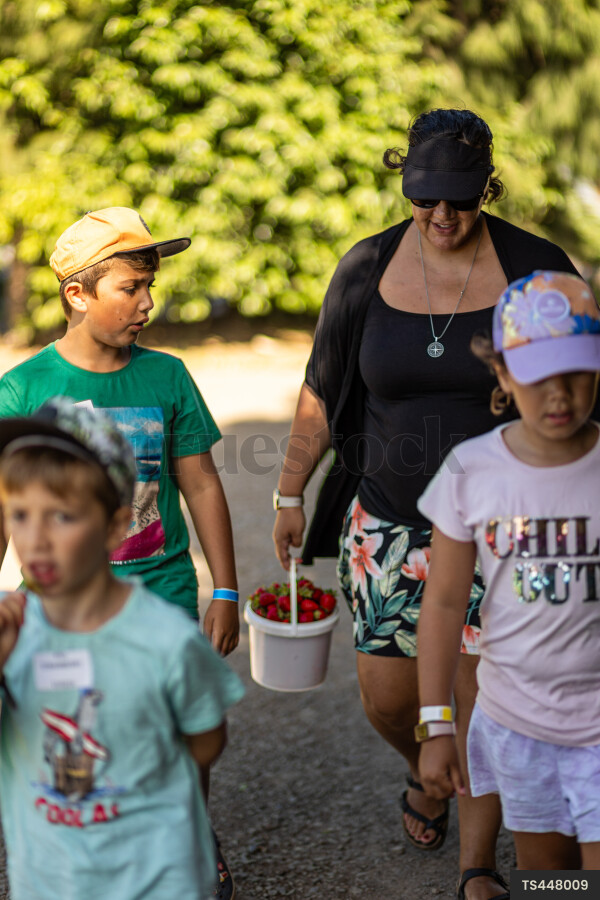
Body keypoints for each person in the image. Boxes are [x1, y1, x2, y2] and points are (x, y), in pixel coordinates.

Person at [272, 109, 579, 899]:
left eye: (460, 200)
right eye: (425, 198)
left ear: (487, 189)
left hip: (503, 522)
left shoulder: (535, 266)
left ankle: (480, 865)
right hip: (388, 517)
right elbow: (320, 385)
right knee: (389, 696)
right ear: (404, 183)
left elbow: (579, 374)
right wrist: (288, 489)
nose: (443, 216)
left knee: (477, 695)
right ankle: (426, 769)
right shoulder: (366, 266)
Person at [0, 207, 240, 898]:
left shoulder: (166, 377)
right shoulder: (25, 387)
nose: (146, 303)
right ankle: (81, 839)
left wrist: (224, 588)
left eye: (149, 287)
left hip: (160, 586)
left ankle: (185, 828)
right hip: (57, 606)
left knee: (165, 721)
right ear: (78, 293)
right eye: (129, 287)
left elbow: (198, 480)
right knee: (76, 725)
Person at [416, 270, 600, 887]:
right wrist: (437, 725)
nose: (560, 395)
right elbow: (441, 605)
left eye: (577, 373)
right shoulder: (472, 470)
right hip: (518, 725)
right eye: (538, 376)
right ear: (501, 375)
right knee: (549, 874)